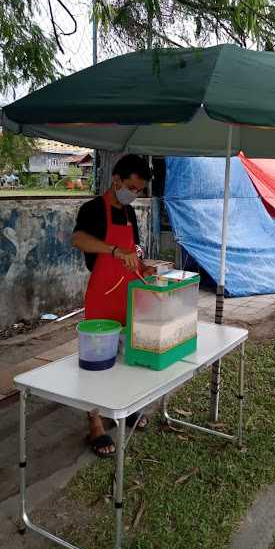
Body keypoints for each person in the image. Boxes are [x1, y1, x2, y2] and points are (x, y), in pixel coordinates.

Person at [72, 154, 155, 457]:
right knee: (96, 362)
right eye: (131, 187)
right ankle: (95, 423)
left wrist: (144, 267)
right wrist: (113, 249)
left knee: (124, 356)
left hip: (127, 294)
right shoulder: (93, 209)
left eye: (138, 190)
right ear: (116, 180)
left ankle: (124, 408)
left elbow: (133, 252)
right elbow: (78, 239)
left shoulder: (130, 213)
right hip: (102, 296)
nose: (134, 193)